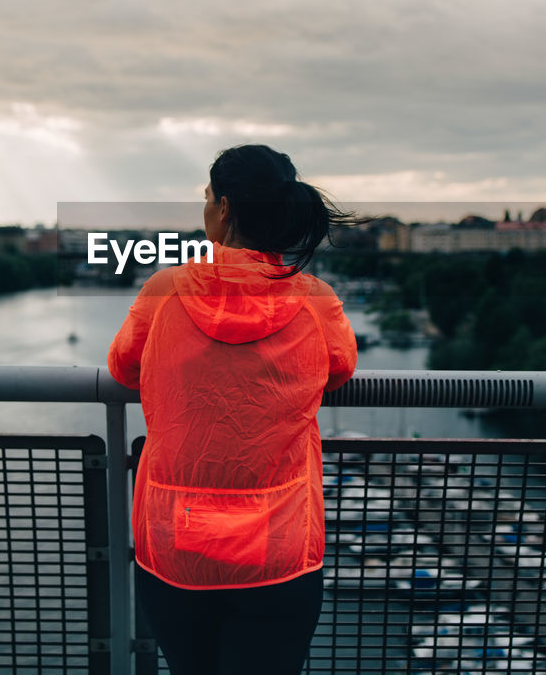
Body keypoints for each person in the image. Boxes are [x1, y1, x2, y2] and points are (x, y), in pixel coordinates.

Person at [108, 144, 359, 675]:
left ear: (223, 209)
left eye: (205, 199)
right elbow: (338, 371)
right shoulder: (316, 300)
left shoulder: (163, 289)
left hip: (176, 545)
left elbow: (123, 369)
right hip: (280, 548)